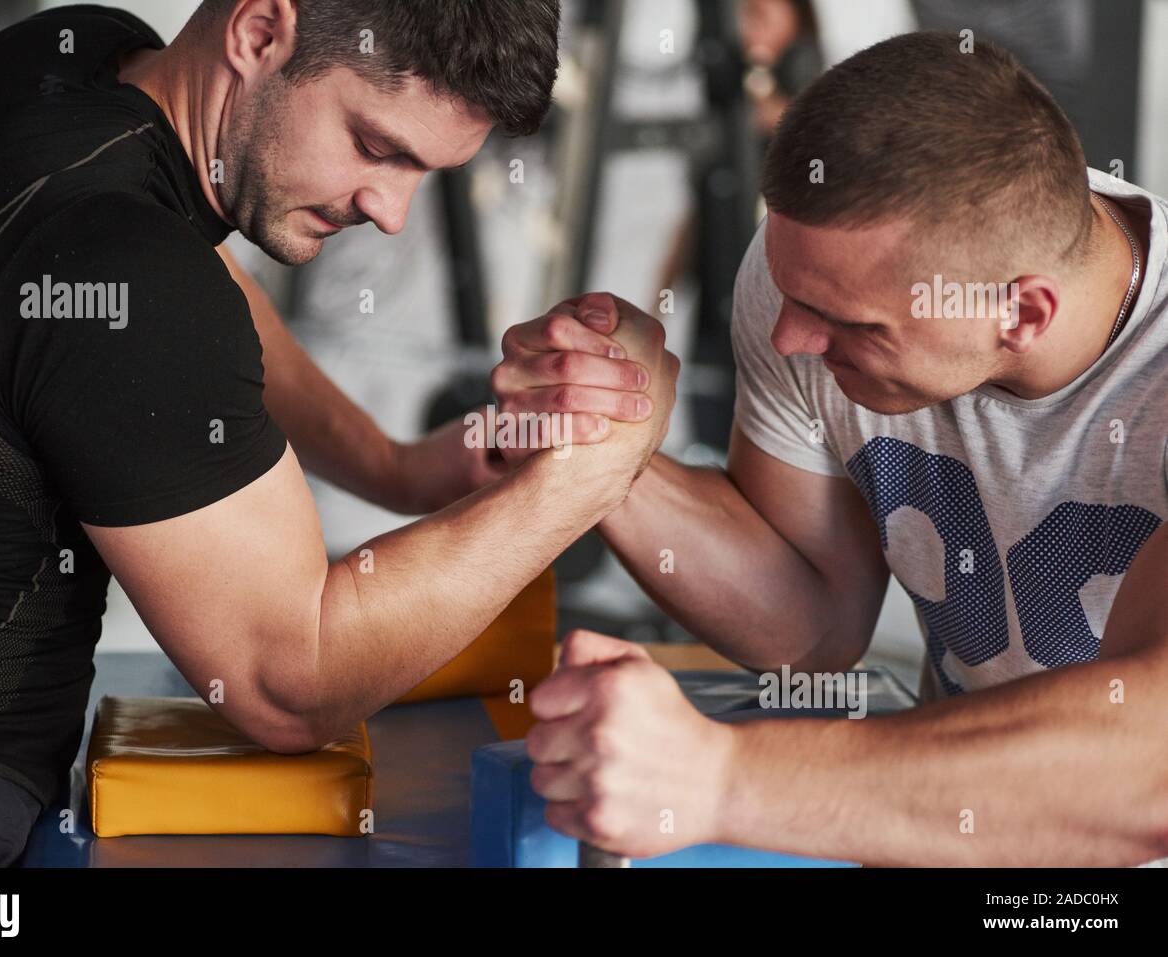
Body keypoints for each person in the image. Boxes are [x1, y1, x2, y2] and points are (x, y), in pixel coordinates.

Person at [0, 0, 679, 865]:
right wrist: (597, 467)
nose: (392, 209)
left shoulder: (72, 60)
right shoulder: (126, 266)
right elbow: (290, 686)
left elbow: (190, 275)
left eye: (425, 171)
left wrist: (398, 469)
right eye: (375, 146)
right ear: (259, 33)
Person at [493, 32, 1168, 865]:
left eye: (850, 325)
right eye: (788, 292)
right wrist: (603, 439)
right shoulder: (819, 276)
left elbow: (1149, 765)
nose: (791, 335)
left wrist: (716, 779)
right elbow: (812, 624)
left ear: (1023, 314)